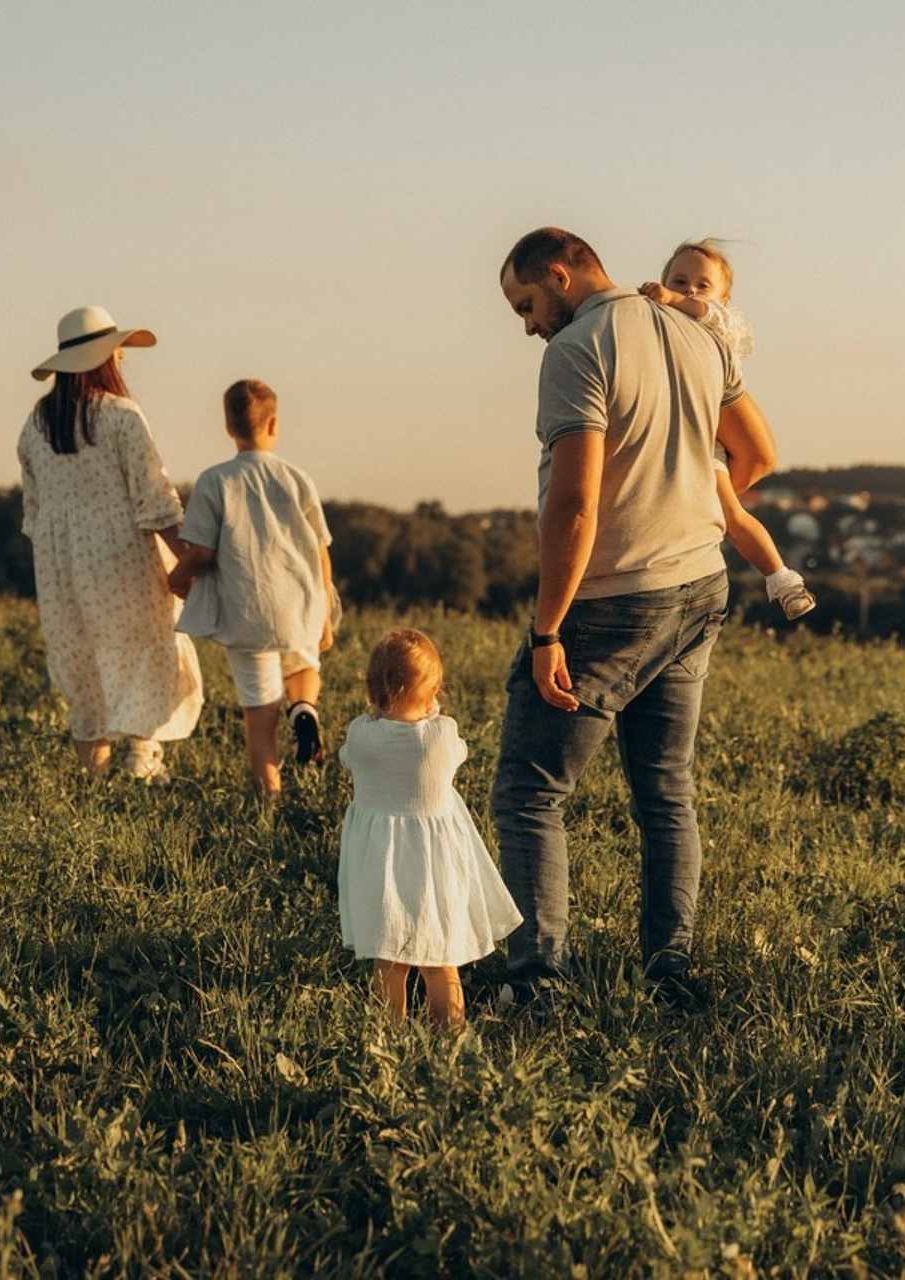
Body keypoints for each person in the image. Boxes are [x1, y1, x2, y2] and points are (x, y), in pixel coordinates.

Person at [494, 227, 776, 1006]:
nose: (527, 325)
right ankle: (670, 974)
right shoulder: (694, 336)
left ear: (560, 274)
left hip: (612, 600)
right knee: (665, 791)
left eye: (526, 304)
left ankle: (538, 985)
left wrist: (548, 628)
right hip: (699, 585)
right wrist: (694, 498)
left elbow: (576, 503)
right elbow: (756, 455)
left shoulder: (578, 348)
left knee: (530, 790)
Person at [19, 305, 203, 782]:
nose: (121, 360)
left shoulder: (34, 426)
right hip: (123, 556)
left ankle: (96, 781)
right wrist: (187, 557)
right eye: (117, 352)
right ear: (103, 359)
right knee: (145, 646)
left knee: (82, 659)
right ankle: (142, 763)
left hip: (61, 566)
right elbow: (156, 498)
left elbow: (34, 515)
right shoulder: (121, 416)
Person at [337, 629, 522, 1031]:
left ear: (372, 687)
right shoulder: (440, 735)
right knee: (441, 962)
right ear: (433, 689)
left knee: (389, 964)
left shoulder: (361, 735)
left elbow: (347, 758)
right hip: (435, 869)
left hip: (379, 869)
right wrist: (431, 713)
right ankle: (451, 1037)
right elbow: (460, 752)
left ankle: (389, 1037)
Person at [167, 379, 335, 799]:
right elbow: (320, 548)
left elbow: (202, 551)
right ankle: (304, 710)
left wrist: (177, 576)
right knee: (302, 666)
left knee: (259, 713)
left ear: (228, 427)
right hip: (300, 600)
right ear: (274, 423)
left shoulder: (214, 481)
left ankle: (270, 800)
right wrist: (326, 610)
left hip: (247, 609)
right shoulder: (297, 479)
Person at [640, 239, 815, 621]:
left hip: (708, 440)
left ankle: (782, 580)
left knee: (732, 515)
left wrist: (669, 297)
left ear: (724, 296)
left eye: (703, 284)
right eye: (680, 279)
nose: (690, 290)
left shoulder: (719, 320)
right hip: (679, 434)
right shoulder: (663, 322)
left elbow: (702, 312)